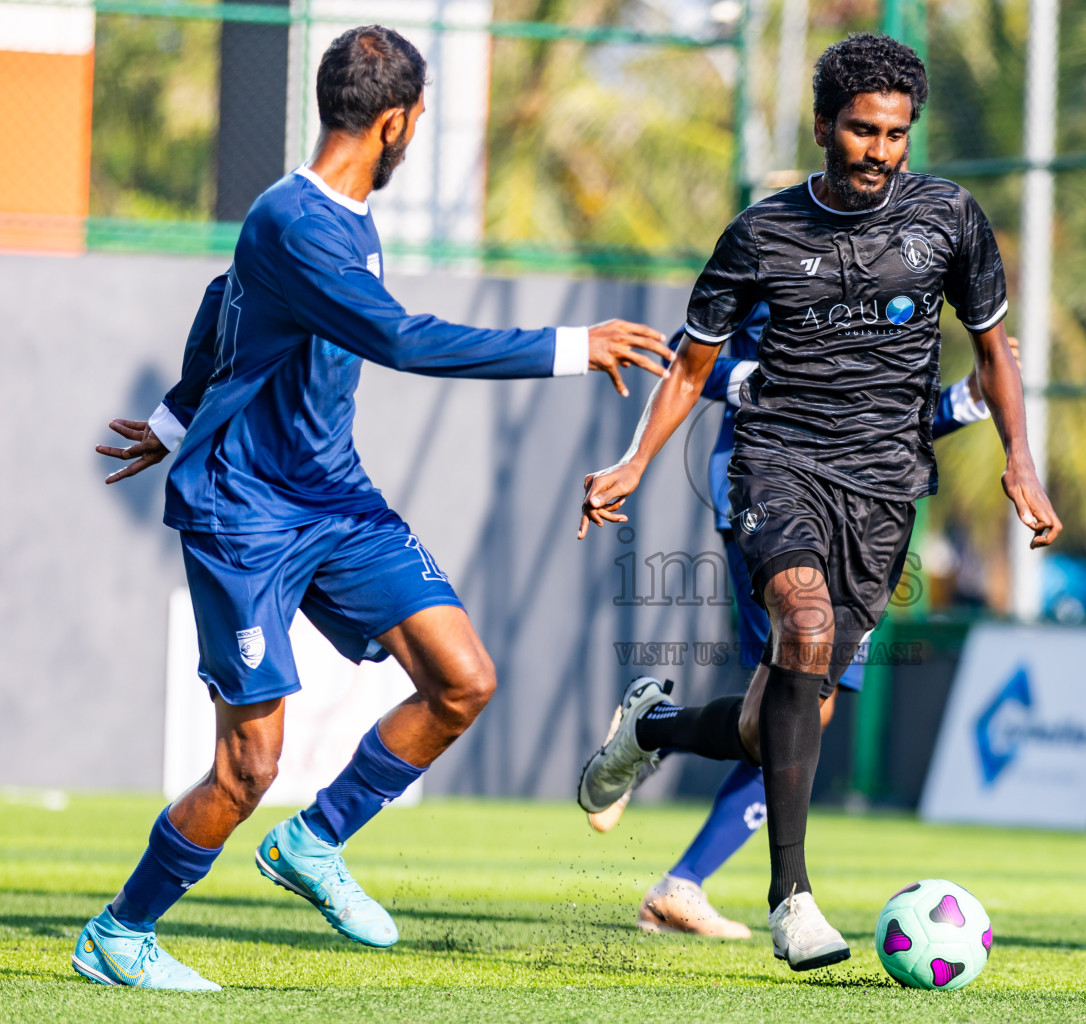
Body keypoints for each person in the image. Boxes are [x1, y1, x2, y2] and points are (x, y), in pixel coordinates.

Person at [79, 25, 671, 991]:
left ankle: (315, 845)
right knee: (247, 768)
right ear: (394, 122)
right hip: (248, 516)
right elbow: (402, 340)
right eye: (420, 119)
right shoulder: (297, 222)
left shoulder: (338, 216)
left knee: (462, 679)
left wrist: (173, 412)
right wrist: (573, 346)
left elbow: (224, 305)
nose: (417, 132)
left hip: (336, 499)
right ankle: (119, 933)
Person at [573, 33, 1060, 971]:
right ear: (823, 126)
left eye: (896, 134)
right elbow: (691, 365)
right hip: (778, 465)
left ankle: (653, 728)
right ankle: (790, 898)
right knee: (799, 625)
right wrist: (635, 463)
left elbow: (997, 354)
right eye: (862, 130)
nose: (879, 150)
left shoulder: (951, 220)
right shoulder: (760, 234)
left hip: (883, 491)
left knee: (779, 721)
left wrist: (1022, 465)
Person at [586, 304, 1006, 940]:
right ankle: (713, 882)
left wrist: (966, 401)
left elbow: (880, 422)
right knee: (797, 701)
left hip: (863, 522)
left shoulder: (900, 267)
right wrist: (772, 380)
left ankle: (655, 736)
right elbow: (686, 358)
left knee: (802, 711)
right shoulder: (784, 243)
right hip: (772, 501)